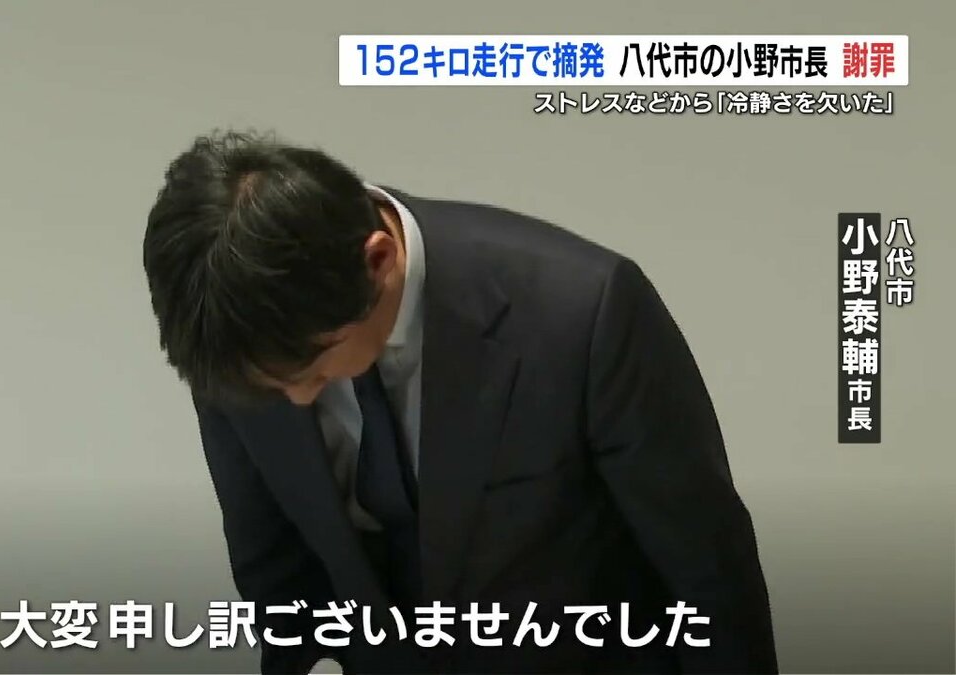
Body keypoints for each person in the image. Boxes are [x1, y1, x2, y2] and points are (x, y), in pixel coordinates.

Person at [141, 131, 778, 674]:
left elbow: (708, 574)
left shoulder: (583, 313)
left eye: (309, 369)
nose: (296, 398)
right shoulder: (235, 337)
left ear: (378, 261)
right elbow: (279, 585)